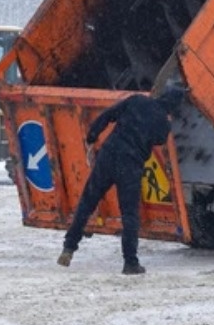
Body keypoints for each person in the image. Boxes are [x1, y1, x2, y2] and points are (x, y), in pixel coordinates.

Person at [57, 83, 189, 274]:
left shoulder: (136, 100)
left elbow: (108, 115)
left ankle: (68, 249)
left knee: (87, 202)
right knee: (129, 214)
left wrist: (92, 135)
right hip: (130, 165)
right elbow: (159, 140)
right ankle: (130, 263)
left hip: (108, 155)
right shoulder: (163, 123)